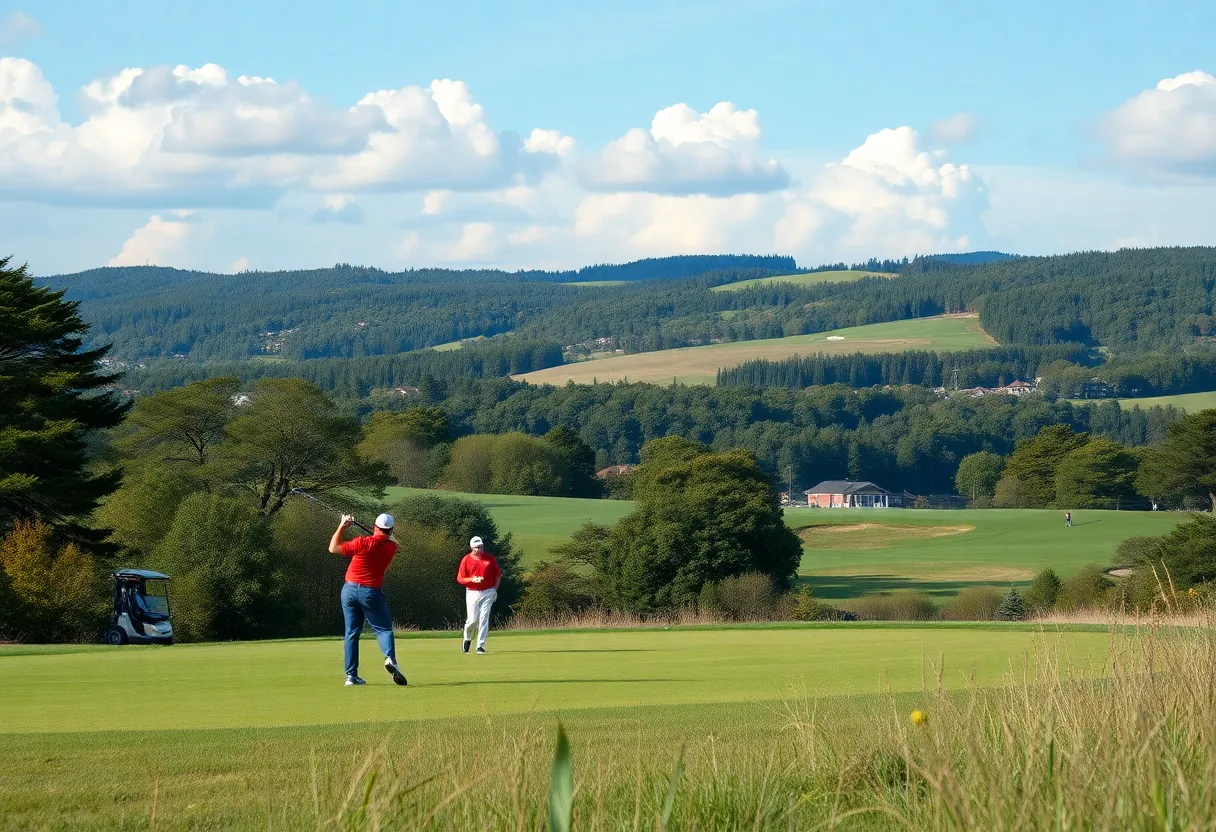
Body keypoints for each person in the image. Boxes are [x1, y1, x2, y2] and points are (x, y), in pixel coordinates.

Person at [329, 512, 408, 687]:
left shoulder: (362, 542)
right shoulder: (391, 547)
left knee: (351, 633)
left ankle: (351, 676)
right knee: (383, 629)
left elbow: (333, 548)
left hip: (349, 590)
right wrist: (381, 535)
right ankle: (390, 659)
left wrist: (342, 525)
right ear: (391, 530)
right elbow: (391, 541)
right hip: (370, 592)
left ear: (375, 526)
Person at [457, 535, 502, 654]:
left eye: (480, 547)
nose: (479, 549)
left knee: (483, 618)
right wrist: (472, 579)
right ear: (472, 548)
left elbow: (498, 575)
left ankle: (480, 645)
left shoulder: (490, 559)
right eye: (476, 547)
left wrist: (494, 590)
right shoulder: (466, 559)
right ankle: (467, 638)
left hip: (488, 592)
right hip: (472, 592)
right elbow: (460, 579)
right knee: (472, 620)